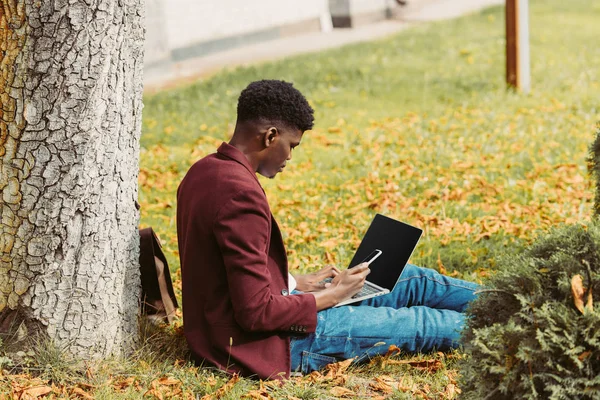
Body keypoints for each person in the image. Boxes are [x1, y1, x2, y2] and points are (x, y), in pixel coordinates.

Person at [177, 79, 479, 380]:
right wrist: (332, 296)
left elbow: (225, 271)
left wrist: (295, 283)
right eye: (291, 146)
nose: (290, 158)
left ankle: (512, 300)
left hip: (246, 319)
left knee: (413, 280)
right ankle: (511, 329)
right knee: (421, 323)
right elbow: (256, 314)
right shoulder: (241, 196)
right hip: (265, 344)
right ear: (270, 136)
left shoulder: (203, 171)